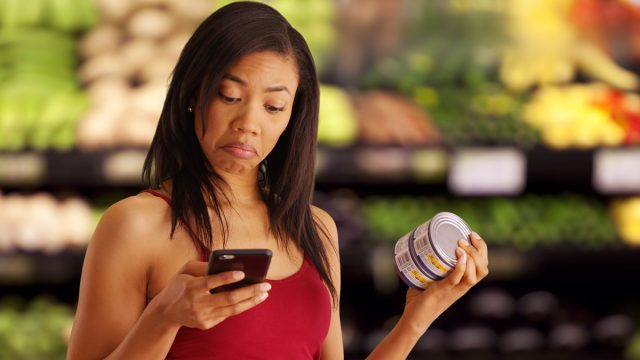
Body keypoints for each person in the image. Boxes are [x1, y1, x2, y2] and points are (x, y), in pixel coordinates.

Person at [67, 2, 489, 359]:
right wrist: (164, 318)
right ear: (194, 93)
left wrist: (416, 318)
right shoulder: (136, 226)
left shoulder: (316, 231)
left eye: (273, 106)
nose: (248, 123)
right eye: (230, 96)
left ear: (292, 118)